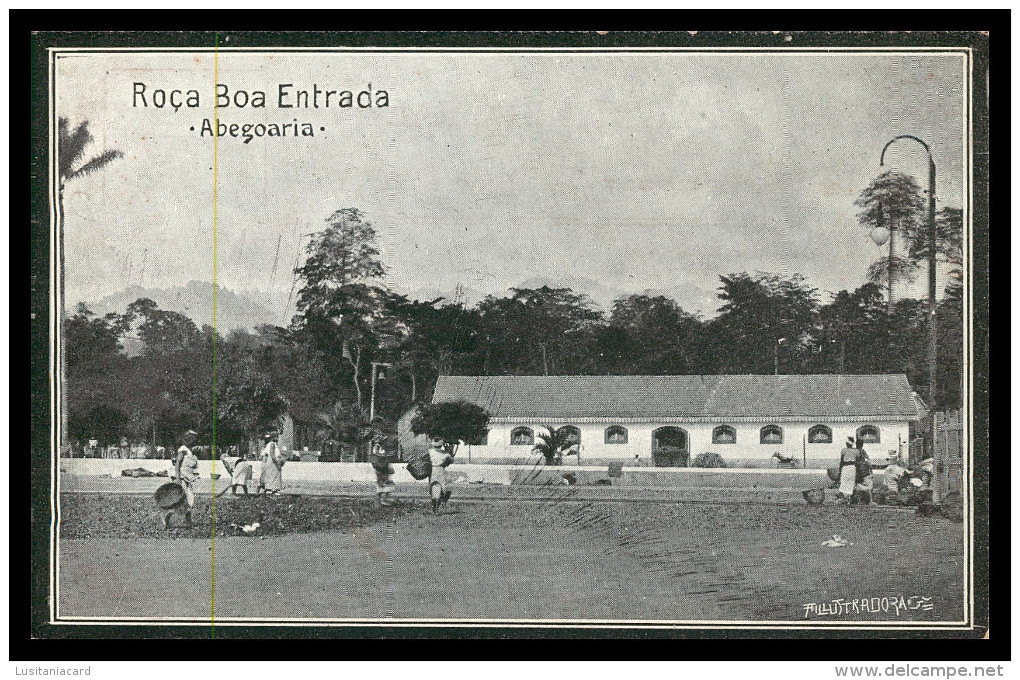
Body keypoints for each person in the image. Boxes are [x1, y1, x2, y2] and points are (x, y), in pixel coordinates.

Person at [166, 430, 199, 529]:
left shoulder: (189, 450)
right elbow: (177, 464)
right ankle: (167, 517)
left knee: (190, 499)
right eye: (190, 438)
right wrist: (177, 479)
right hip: (181, 478)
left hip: (187, 478)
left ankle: (188, 522)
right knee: (182, 500)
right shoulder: (183, 449)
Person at [427, 436, 455, 514]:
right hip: (440, 470)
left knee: (433, 488)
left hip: (432, 470)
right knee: (442, 487)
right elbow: (451, 460)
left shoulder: (429, 452)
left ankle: (435, 508)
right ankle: (440, 503)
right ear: (441, 445)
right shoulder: (445, 453)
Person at [369, 433, 396, 506]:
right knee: (382, 484)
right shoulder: (377, 447)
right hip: (380, 467)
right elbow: (375, 453)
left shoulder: (382, 448)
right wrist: (382, 455)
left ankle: (383, 500)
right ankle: (380, 501)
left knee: (385, 484)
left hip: (383, 467)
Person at [836, 436, 858, 503]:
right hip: (852, 468)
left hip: (846, 467)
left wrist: (840, 470)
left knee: (844, 482)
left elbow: (842, 461)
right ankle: (848, 497)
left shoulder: (844, 450)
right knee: (850, 483)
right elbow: (857, 461)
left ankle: (843, 497)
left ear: (847, 443)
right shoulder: (856, 451)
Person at [853, 439, 874, 505]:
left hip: (856, 472)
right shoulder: (863, 452)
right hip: (864, 472)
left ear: (856, 444)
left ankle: (857, 500)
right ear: (862, 445)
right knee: (870, 485)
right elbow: (868, 461)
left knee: (856, 486)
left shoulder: (853, 452)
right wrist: (871, 470)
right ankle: (870, 501)